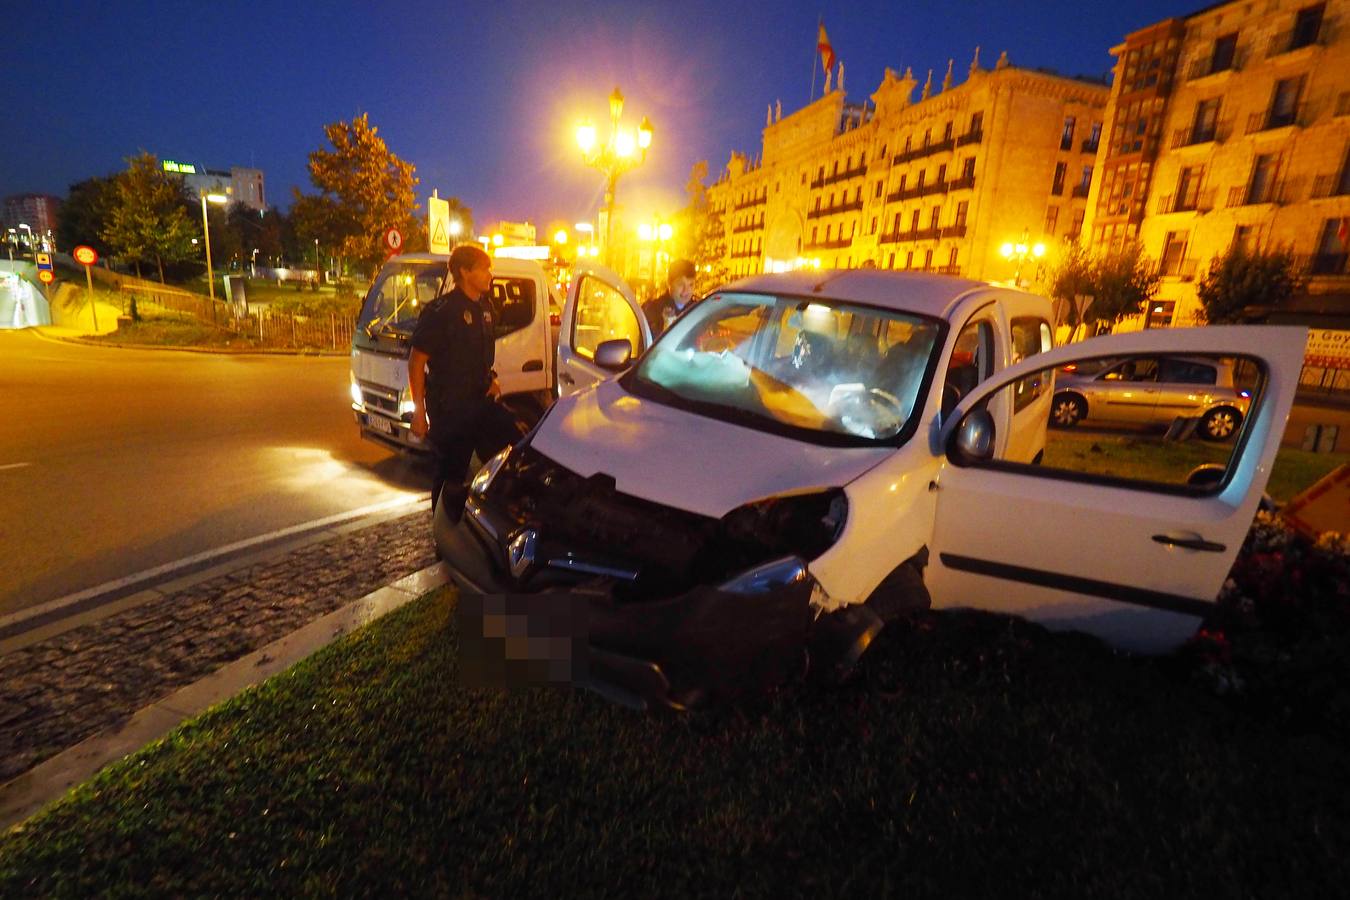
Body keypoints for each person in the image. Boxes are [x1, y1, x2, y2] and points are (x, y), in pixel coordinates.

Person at [409, 244, 520, 517]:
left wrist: (490, 379)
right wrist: (419, 412)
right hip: (451, 409)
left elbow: (481, 356)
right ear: (465, 272)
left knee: (510, 452)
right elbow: (416, 361)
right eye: (484, 269)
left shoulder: (484, 308)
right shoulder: (441, 310)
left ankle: (493, 519)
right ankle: (443, 535)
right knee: (450, 476)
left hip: (480, 402)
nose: (490, 275)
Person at [641, 258, 697, 338]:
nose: (686, 291)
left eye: (691, 285)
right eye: (680, 284)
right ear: (669, 283)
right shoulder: (652, 310)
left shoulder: (698, 309)